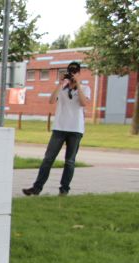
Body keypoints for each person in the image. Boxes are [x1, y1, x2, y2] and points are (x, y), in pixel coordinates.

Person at [23, 61, 90, 197]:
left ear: (79, 73)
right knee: (48, 159)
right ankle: (36, 188)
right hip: (59, 128)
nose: (72, 74)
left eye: (75, 72)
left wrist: (77, 85)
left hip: (75, 129)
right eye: (70, 72)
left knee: (69, 161)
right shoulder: (62, 88)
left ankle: (64, 189)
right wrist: (60, 84)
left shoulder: (85, 88)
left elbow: (83, 103)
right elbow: (52, 101)